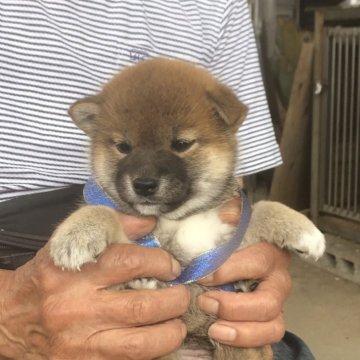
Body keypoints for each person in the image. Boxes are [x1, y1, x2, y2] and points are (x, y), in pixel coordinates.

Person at [0, 1, 314, 359]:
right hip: (17, 258)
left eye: (180, 144)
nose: (145, 176)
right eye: (122, 146)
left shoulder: (218, 6)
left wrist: (254, 265)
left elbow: (230, 197)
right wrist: (7, 316)